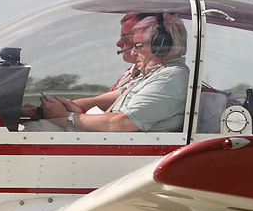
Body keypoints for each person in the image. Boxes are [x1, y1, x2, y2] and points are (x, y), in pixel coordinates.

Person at [42, 13, 189, 132]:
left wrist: (65, 117)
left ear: (161, 46)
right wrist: (69, 109)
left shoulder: (170, 78)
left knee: (40, 130)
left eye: (138, 46)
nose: (133, 52)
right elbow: (106, 107)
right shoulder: (151, 75)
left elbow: (121, 123)